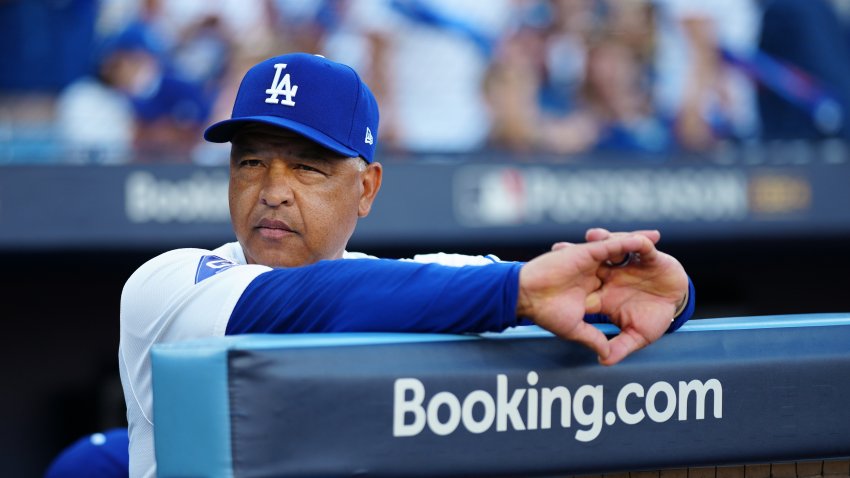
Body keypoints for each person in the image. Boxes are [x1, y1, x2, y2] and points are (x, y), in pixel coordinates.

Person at [119, 52, 695, 478]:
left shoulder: (401, 283)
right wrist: (516, 292)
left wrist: (671, 294)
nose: (272, 190)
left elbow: (593, 292)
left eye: (307, 168)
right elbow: (317, 299)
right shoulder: (168, 284)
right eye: (250, 162)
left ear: (366, 188)